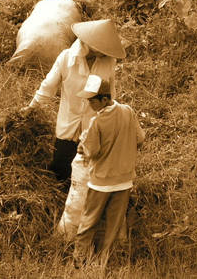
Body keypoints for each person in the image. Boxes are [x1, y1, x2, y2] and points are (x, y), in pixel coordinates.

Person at [22, 19, 126, 185]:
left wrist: (112, 122)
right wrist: (31, 107)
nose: (105, 52)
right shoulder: (66, 59)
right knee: (60, 171)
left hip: (94, 126)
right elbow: (48, 86)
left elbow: (110, 93)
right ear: (91, 44)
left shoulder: (109, 61)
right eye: (102, 48)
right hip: (68, 124)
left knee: (90, 174)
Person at [72, 74, 145, 268]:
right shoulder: (128, 111)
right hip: (124, 180)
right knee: (113, 226)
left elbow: (91, 151)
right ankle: (103, 262)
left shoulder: (97, 122)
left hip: (101, 182)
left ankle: (80, 261)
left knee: (89, 221)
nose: (89, 104)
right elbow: (140, 138)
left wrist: (83, 143)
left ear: (104, 98)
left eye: (92, 100)